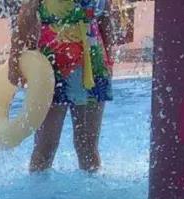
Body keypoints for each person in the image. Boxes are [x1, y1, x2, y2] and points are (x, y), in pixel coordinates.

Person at [10, 0, 115, 172]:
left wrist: (109, 60)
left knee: (88, 146)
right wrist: (14, 61)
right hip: (53, 63)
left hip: (93, 60)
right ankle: (38, 187)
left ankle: (91, 188)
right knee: (46, 143)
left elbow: (105, 17)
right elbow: (26, 13)